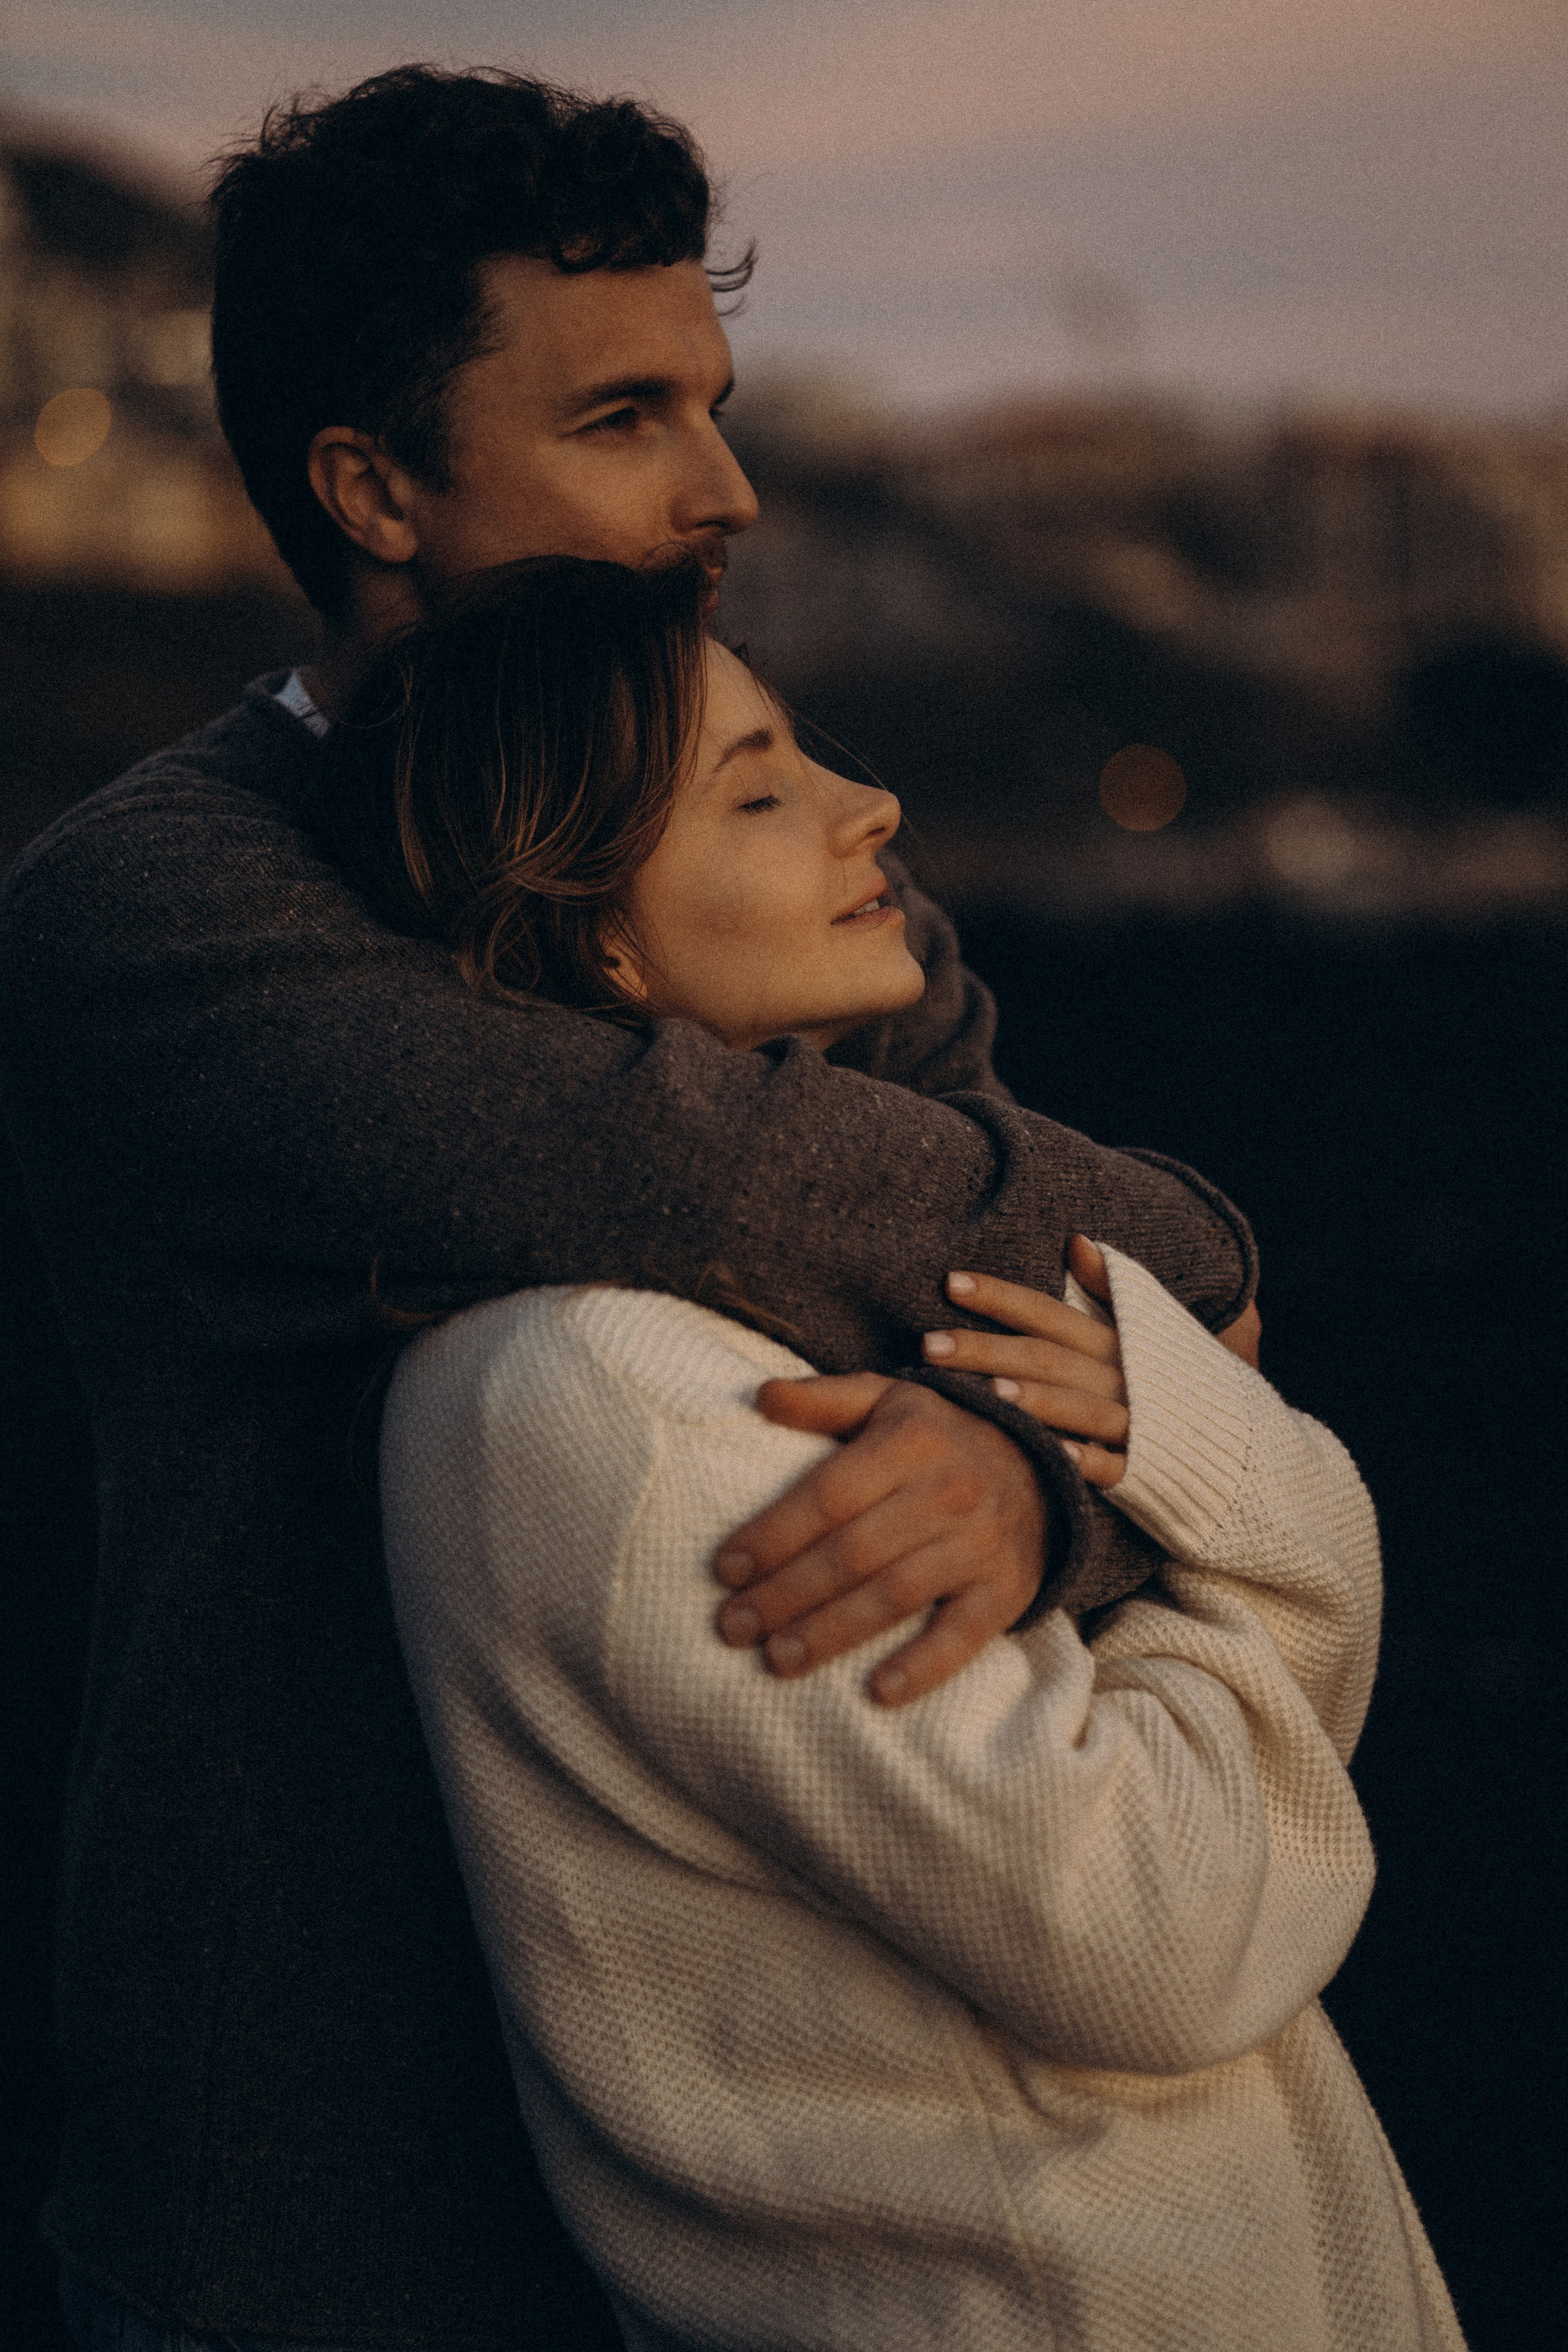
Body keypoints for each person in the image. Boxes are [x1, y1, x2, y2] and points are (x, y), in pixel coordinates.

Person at [2, 67, 1260, 2352]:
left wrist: (1032, 1470)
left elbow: (1080, 1318)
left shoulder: (784, 879)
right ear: (370, 486)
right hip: (333, 2204)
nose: (727, 487)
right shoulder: (157, 912)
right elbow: (721, 1170)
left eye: (717, 399)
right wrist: (1178, 1289)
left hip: (800, 2170)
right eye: (620, 420)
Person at [358, 557, 1465, 2351]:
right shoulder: (613, 1398)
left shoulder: (712, 1331)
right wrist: (1252, 1500)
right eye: (761, 789)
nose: (872, 806)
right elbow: (1170, 1922)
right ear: (601, 934)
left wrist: (1096, 1479)